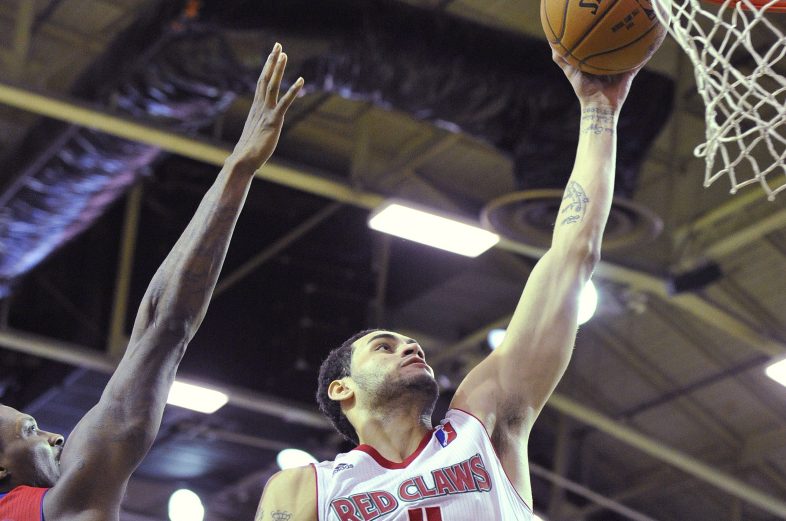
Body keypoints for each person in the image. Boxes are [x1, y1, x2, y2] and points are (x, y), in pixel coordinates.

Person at [256, 52, 641, 520]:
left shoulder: (483, 425)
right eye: (383, 346)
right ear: (342, 389)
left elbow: (572, 256)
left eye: (407, 340)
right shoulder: (306, 488)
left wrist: (600, 109)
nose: (410, 346)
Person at [0, 43, 303, 521]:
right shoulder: (47, 506)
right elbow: (162, 328)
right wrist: (236, 169)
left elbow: (159, 328)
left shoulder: (58, 502)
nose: (55, 436)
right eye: (30, 430)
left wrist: (236, 170)